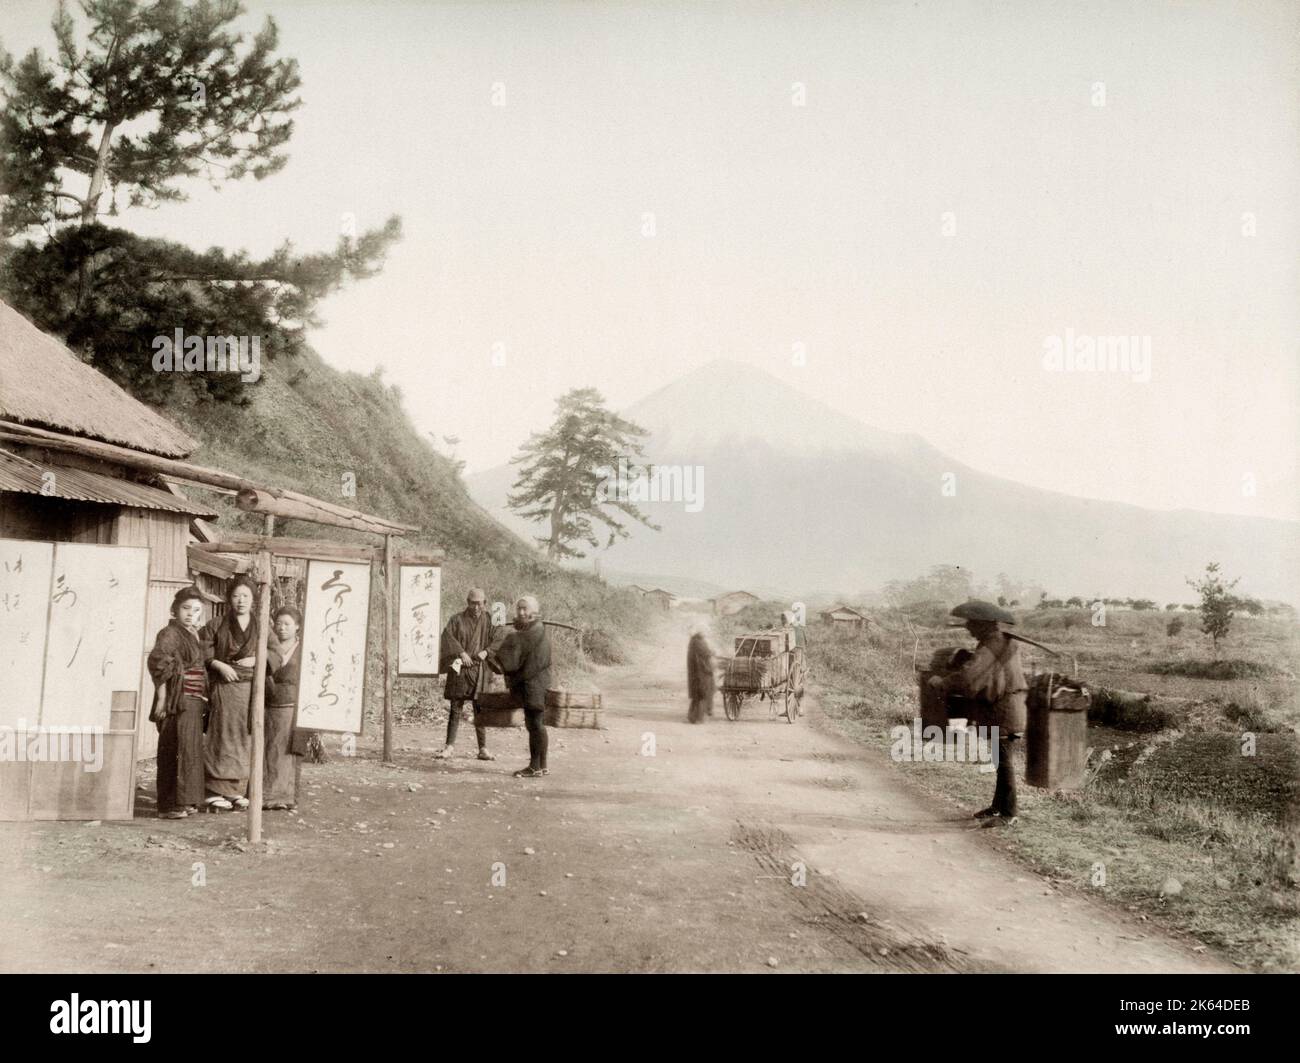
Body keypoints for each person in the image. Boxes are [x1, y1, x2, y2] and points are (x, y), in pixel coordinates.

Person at [930, 600, 1027, 825]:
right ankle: (997, 807)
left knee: (1003, 762)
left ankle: (1009, 814)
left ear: (983, 625)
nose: (969, 630)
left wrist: (941, 682)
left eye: (971, 625)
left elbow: (968, 678)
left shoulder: (990, 647)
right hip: (1005, 708)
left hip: (1004, 712)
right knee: (998, 759)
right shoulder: (1000, 643)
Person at [201, 575, 278, 812]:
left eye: (245, 596)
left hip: (250, 689)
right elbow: (203, 649)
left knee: (246, 736)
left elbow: (276, 652)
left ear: (253, 599)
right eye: (236, 595)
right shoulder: (216, 624)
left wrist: (258, 658)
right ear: (229, 599)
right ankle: (214, 790)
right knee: (221, 736)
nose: (240, 600)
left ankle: (237, 791)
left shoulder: (263, 625)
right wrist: (218, 665)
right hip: (225, 688)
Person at [146, 586, 210, 819]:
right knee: (172, 748)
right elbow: (158, 663)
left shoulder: (193, 633)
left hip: (192, 699)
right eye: (185, 608)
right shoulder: (169, 633)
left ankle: (185, 800)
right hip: (175, 698)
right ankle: (168, 805)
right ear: (175, 609)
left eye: (196, 610)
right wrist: (162, 698)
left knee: (189, 750)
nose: (190, 614)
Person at [436, 588, 501, 761]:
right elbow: (447, 637)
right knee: (455, 708)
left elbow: (499, 639)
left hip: (480, 670)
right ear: (467, 602)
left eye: (480, 603)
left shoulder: (490, 621)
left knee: (480, 711)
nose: (476, 607)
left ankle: (483, 748)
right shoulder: (456, 619)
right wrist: (460, 652)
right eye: (473, 602)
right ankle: (449, 746)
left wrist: (487, 652)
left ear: (485, 603)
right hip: (460, 670)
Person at [492, 595, 552, 779]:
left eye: (525, 609)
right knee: (537, 724)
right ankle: (542, 765)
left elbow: (518, 644)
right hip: (538, 683)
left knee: (534, 724)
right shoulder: (535, 628)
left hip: (534, 684)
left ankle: (535, 766)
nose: (521, 612)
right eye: (519, 608)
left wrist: (497, 660)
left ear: (534, 612)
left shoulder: (532, 631)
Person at [263, 605, 303, 811]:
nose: (282, 628)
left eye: (287, 624)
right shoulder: (269, 646)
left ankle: (284, 797)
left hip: (290, 705)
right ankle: (265, 794)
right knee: (268, 749)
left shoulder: (302, 649)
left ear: (297, 627)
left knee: (286, 751)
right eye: (278, 624)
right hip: (268, 703)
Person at [686, 624, 717, 723]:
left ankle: (695, 716)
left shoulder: (694, 641)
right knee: (703, 693)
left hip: (698, 671)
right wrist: (712, 653)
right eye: (705, 632)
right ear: (701, 633)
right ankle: (697, 718)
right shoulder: (698, 641)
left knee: (699, 695)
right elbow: (705, 653)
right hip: (701, 672)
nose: (705, 634)